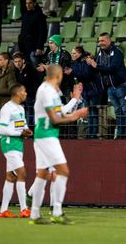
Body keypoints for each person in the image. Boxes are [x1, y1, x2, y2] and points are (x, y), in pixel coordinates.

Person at [28, 64, 88, 225]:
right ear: (59, 75)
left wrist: (75, 99)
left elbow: (59, 111)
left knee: (42, 173)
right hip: (46, 135)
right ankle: (57, 211)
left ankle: (35, 214)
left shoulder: (52, 91)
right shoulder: (46, 90)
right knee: (63, 171)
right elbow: (55, 118)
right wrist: (75, 116)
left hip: (45, 135)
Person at [86, 32, 126, 139]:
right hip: (109, 88)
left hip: (121, 85)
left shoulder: (117, 52)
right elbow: (97, 69)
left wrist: (96, 65)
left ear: (109, 40)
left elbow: (112, 68)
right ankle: (121, 135)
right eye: (99, 41)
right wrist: (91, 65)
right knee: (118, 111)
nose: (100, 43)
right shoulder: (100, 53)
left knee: (125, 110)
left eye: (102, 40)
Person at [0, 83, 33, 218]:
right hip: (9, 144)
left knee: (11, 177)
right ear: (17, 93)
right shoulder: (7, 108)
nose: (26, 93)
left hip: (18, 144)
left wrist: (26, 130)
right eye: (24, 91)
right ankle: (24, 208)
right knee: (21, 173)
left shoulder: (20, 108)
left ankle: (3, 210)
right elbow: (2, 129)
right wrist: (19, 134)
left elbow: (21, 124)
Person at [64, 46, 101, 139]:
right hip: (85, 91)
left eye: (74, 53)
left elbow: (86, 75)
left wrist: (73, 72)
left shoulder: (87, 60)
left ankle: (94, 134)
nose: (72, 55)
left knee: (93, 112)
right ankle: (90, 133)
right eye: (72, 53)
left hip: (93, 89)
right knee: (89, 113)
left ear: (80, 53)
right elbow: (78, 75)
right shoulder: (75, 63)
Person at [37, 35, 72, 101]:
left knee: (66, 108)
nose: (49, 45)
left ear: (57, 43)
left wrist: (48, 67)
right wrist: (44, 69)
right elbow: (48, 68)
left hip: (64, 85)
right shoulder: (49, 55)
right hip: (53, 86)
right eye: (49, 43)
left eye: (51, 43)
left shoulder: (65, 55)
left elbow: (64, 70)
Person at [12, 52, 41, 129]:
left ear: (23, 60)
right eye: (15, 62)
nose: (17, 63)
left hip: (32, 97)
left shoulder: (31, 69)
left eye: (19, 61)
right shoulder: (16, 71)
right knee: (25, 116)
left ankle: (31, 134)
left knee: (31, 117)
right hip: (23, 98)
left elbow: (36, 84)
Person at [18, 0, 47, 67]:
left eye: (30, 3)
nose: (27, 5)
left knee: (36, 70)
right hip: (24, 47)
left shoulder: (40, 15)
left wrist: (40, 47)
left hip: (34, 47)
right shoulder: (25, 15)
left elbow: (43, 32)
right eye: (26, 3)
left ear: (34, 3)